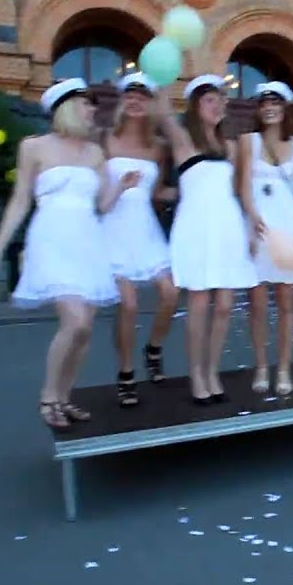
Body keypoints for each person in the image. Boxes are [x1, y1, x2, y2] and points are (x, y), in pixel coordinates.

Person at [0, 78, 126, 429]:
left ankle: (64, 396)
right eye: (87, 103)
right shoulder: (34, 147)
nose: (93, 110)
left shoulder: (95, 153)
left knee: (85, 329)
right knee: (73, 320)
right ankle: (48, 396)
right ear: (67, 106)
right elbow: (20, 200)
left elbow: (103, 204)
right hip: (51, 239)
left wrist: (122, 186)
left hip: (87, 240)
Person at [157, 74, 261, 405]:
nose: (218, 106)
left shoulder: (231, 146)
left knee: (226, 305)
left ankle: (213, 370)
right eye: (210, 100)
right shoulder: (182, 138)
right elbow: (160, 109)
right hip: (196, 227)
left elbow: (241, 189)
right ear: (195, 105)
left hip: (228, 225)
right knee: (199, 304)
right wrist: (161, 73)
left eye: (221, 100)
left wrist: (253, 218)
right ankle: (196, 374)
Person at [239, 81, 293, 396]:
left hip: (289, 227)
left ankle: (285, 367)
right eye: (264, 103)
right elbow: (243, 188)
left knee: (287, 302)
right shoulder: (247, 142)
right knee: (258, 303)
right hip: (259, 227)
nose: (269, 108)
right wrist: (251, 222)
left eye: (275, 102)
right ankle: (262, 366)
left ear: (286, 107)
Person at [101, 72, 180, 407]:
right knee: (129, 304)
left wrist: (194, 192)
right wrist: (119, 187)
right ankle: (125, 371)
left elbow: (157, 191)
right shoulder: (104, 139)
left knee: (171, 292)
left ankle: (153, 348)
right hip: (113, 228)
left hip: (145, 228)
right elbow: (94, 188)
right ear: (122, 101)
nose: (135, 101)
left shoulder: (158, 148)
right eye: (129, 95)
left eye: (142, 96)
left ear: (150, 104)